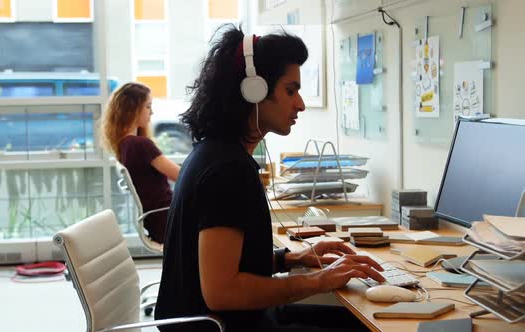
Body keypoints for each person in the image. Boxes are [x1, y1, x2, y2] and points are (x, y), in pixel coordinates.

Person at [155, 25, 385, 332]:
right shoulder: (227, 170)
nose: (300, 104)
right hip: (222, 327)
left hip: (229, 322)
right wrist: (318, 280)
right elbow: (221, 292)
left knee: (360, 323)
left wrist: (290, 259)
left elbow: (223, 264)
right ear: (255, 91)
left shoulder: (215, 152)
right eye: (290, 90)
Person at [100, 82, 180, 244]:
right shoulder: (140, 145)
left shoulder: (124, 144)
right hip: (169, 222)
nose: (152, 112)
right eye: (148, 107)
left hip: (159, 221)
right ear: (132, 109)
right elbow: (182, 176)